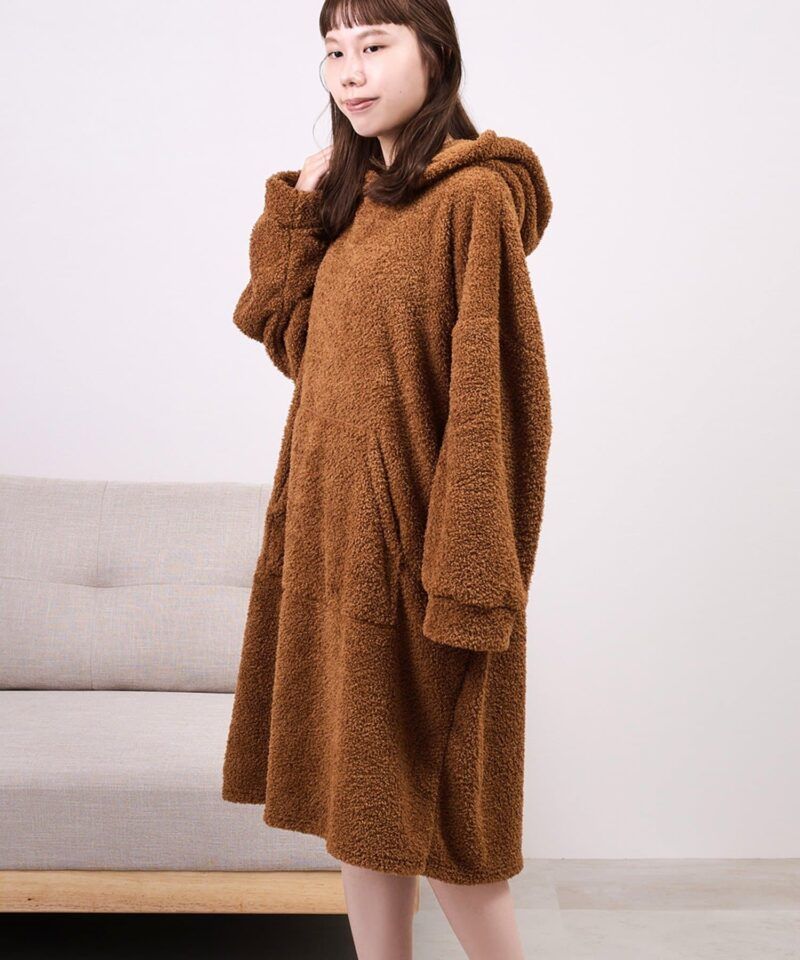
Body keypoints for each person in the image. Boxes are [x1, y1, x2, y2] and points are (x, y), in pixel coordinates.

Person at [222, 1, 553, 957]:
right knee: (360, 809)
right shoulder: (357, 202)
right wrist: (300, 206)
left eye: (374, 46)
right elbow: (290, 335)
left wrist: (471, 578)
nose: (351, 72)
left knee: (449, 830)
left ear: (434, 55)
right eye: (335, 51)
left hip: (423, 560)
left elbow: (500, 401)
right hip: (333, 549)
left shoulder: (473, 198)